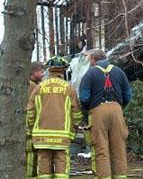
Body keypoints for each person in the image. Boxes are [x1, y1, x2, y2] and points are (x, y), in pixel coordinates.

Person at [26, 56, 82, 178]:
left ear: (49, 70)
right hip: (62, 136)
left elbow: (30, 111)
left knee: (43, 167)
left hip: (42, 136)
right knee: (62, 167)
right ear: (63, 70)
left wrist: (31, 127)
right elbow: (76, 113)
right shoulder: (69, 88)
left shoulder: (39, 88)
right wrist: (75, 127)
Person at [79, 49, 131, 178]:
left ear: (93, 59)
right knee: (119, 148)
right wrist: (119, 107)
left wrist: (88, 109)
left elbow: (84, 96)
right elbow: (128, 94)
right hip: (117, 110)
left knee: (101, 149)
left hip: (98, 110)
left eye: (90, 59)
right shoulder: (119, 72)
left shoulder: (90, 73)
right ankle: (120, 176)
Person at [25, 62, 45, 179]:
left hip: (27, 120)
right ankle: (30, 174)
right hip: (29, 122)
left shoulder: (30, 84)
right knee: (31, 151)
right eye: (41, 72)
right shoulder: (32, 86)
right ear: (33, 72)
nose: (43, 74)